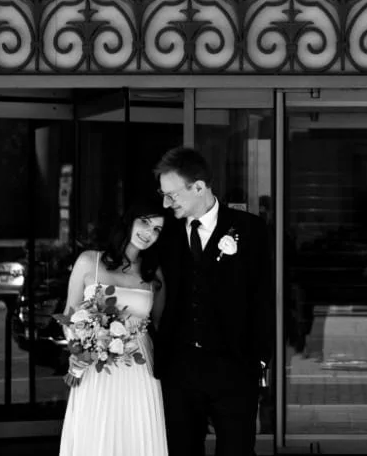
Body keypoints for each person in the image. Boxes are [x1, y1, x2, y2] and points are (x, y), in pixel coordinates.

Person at [153, 146, 273, 456]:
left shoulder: (250, 229)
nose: (166, 203)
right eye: (163, 195)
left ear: (198, 187)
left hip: (234, 367)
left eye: (172, 195)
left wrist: (260, 360)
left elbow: (264, 296)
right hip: (179, 368)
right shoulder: (165, 233)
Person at [59, 196, 169, 456]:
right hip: (96, 365)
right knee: (97, 430)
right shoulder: (89, 261)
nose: (149, 233)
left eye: (156, 229)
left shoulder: (154, 274)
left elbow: (160, 324)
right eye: (145, 222)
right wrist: (79, 348)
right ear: (129, 221)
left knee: (137, 432)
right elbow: (69, 315)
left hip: (139, 366)